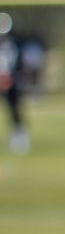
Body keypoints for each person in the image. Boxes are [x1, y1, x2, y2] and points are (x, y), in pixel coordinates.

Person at [0, 12, 29, 155]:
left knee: (15, 109)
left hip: (11, 80)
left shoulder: (14, 42)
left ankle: (19, 136)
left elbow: (18, 63)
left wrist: (10, 78)